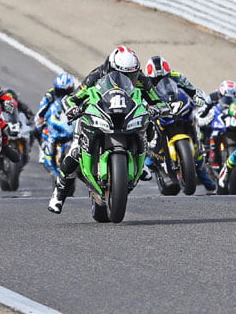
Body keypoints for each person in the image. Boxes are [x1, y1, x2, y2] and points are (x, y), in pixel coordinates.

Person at [47, 47, 166, 213]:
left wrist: (158, 108)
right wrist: (72, 108)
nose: (129, 79)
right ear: (111, 68)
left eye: (131, 75)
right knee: (74, 151)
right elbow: (74, 97)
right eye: (124, 74)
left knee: (149, 124)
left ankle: (142, 159)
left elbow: (158, 100)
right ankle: (59, 194)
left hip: (126, 115)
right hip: (98, 115)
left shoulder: (141, 80)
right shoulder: (96, 76)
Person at [141, 55, 215, 192]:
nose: (159, 80)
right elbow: (139, 96)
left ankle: (205, 177)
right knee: (143, 132)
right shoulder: (145, 82)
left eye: (164, 77)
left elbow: (192, 90)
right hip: (159, 112)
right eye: (156, 79)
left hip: (177, 108)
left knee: (199, 127)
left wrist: (200, 98)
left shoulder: (177, 77)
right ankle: (149, 161)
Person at [197, 79, 236, 167]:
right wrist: (204, 113)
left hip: (232, 122)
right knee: (202, 128)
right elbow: (203, 109)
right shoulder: (213, 96)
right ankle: (203, 151)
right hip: (217, 120)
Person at [35, 72, 77, 163]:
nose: (63, 94)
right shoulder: (50, 95)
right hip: (53, 118)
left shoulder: (76, 95)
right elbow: (41, 109)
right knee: (36, 127)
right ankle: (42, 148)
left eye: (66, 91)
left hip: (68, 120)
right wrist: (41, 118)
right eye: (60, 91)